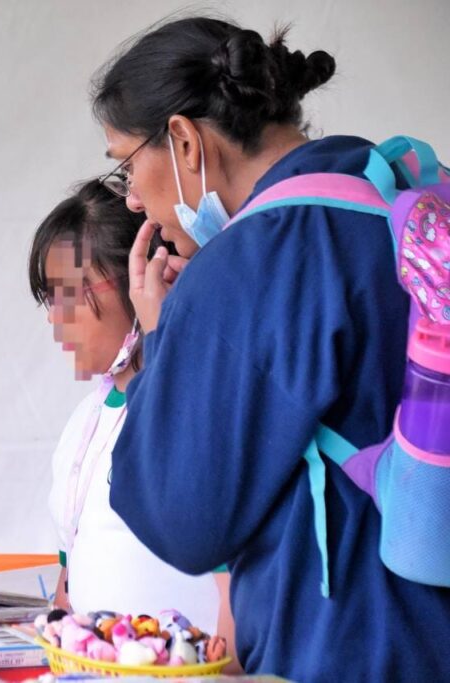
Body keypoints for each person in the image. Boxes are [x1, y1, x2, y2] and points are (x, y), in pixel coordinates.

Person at [90, 16, 450, 680]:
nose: (135, 200)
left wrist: (165, 341)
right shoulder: (403, 197)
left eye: (127, 166)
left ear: (183, 140)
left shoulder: (249, 263)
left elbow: (182, 517)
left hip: (339, 646)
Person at [28, 179, 220, 630]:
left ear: (149, 275)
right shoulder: (82, 426)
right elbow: (69, 580)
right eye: (48, 298)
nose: (56, 318)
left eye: (71, 295)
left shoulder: (196, 407)